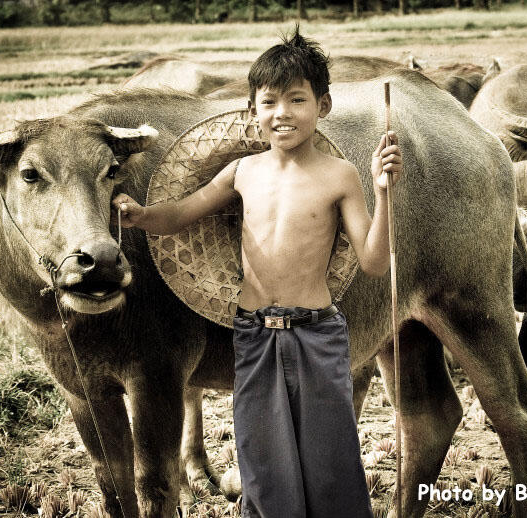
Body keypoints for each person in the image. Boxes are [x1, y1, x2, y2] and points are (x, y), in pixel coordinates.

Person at [111, 28, 402, 518]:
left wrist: (385, 190)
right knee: (263, 462)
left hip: (317, 334)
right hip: (254, 333)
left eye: (296, 99)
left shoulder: (341, 175)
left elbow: (374, 262)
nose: (282, 112)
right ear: (253, 110)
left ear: (323, 106)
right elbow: (181, 213)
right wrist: (140, 215)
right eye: (269, 101)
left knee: (329, 461)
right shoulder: (242, 171)